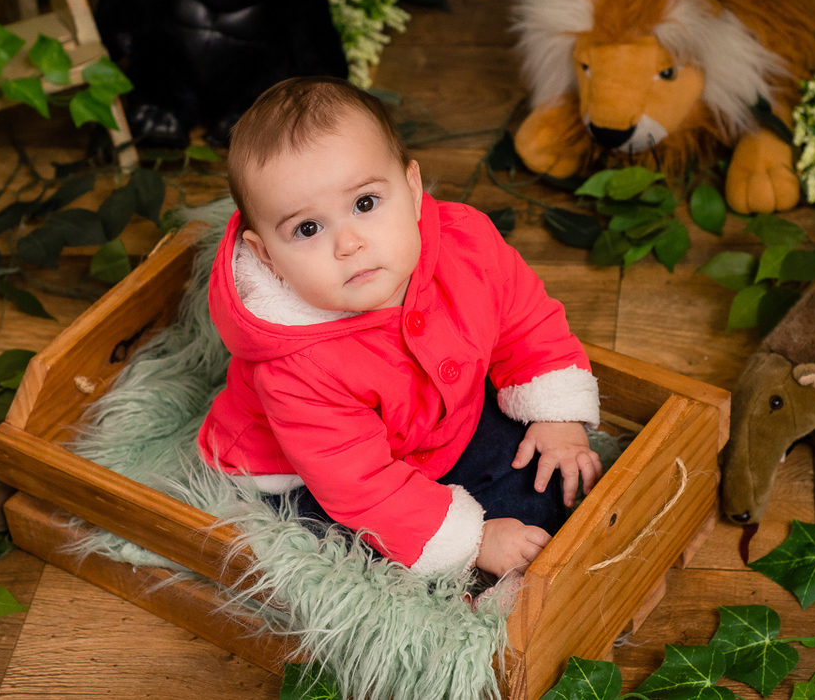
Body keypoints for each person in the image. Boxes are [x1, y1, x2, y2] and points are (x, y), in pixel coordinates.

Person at [198, 76, 602, 578]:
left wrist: (557, 416)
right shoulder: (295, 369)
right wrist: (473, 541)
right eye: (308, 228)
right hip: (315, 473)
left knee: (547, 481)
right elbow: (359, 484)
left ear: (412, 190)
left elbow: (525, 320)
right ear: (267, 257)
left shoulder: (466, 242)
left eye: (365, 203)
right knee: (353, 556)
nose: (349, 243)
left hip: (436, 424)